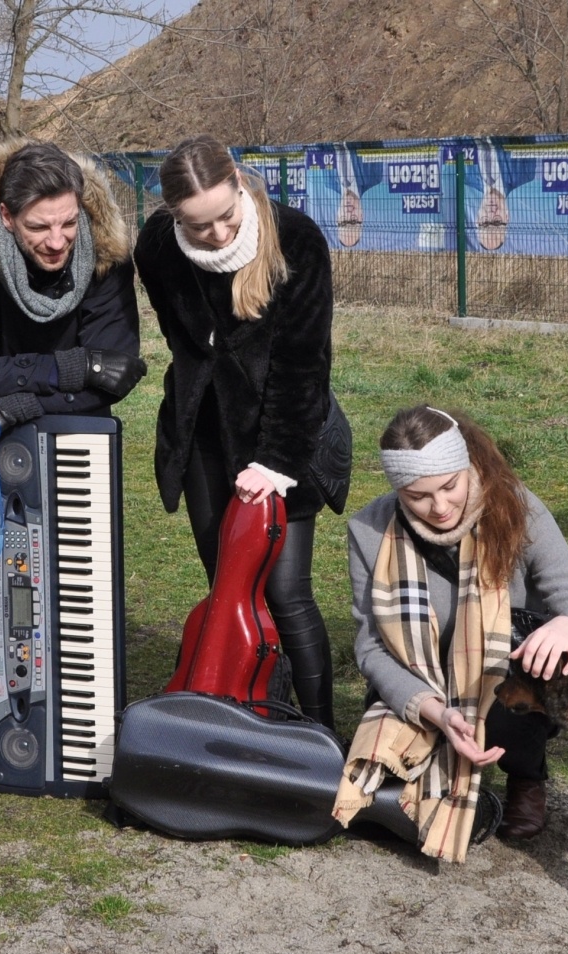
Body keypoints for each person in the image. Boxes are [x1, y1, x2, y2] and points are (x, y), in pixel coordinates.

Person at [0, 138, 144, 783]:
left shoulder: (107, 254)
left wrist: (19, 392)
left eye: (66, 223)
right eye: (38, 228)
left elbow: (118, 371)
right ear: (4, 217)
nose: (56, 242)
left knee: (79, 571)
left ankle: (90, 711)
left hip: (77, 434)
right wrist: (64, 365)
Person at [331, 405, 568, 859]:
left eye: (449, 486)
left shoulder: (517, 508)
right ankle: (433, 747)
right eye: (417, 495)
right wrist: (436, 712)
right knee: (382, 803)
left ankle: (527, 774)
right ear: (396, 489)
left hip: (496, 672)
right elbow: (371, 649)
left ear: (467, 468)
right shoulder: (369, 531)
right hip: (420, 680)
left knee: (514, 684)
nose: (439, 507)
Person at [136, 134, 343, 731]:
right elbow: (183, 342)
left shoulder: (295, 239)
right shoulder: (156, 246)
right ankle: (258, 715)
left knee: (284, 591)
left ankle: (323, 734)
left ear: (240, 185)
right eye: (199, 226)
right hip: (201, 432)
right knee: (228, 587)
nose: (220, 235)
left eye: (226, 217)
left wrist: (275, 462)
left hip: (286, 432)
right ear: (174, 216)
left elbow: (304, 364)